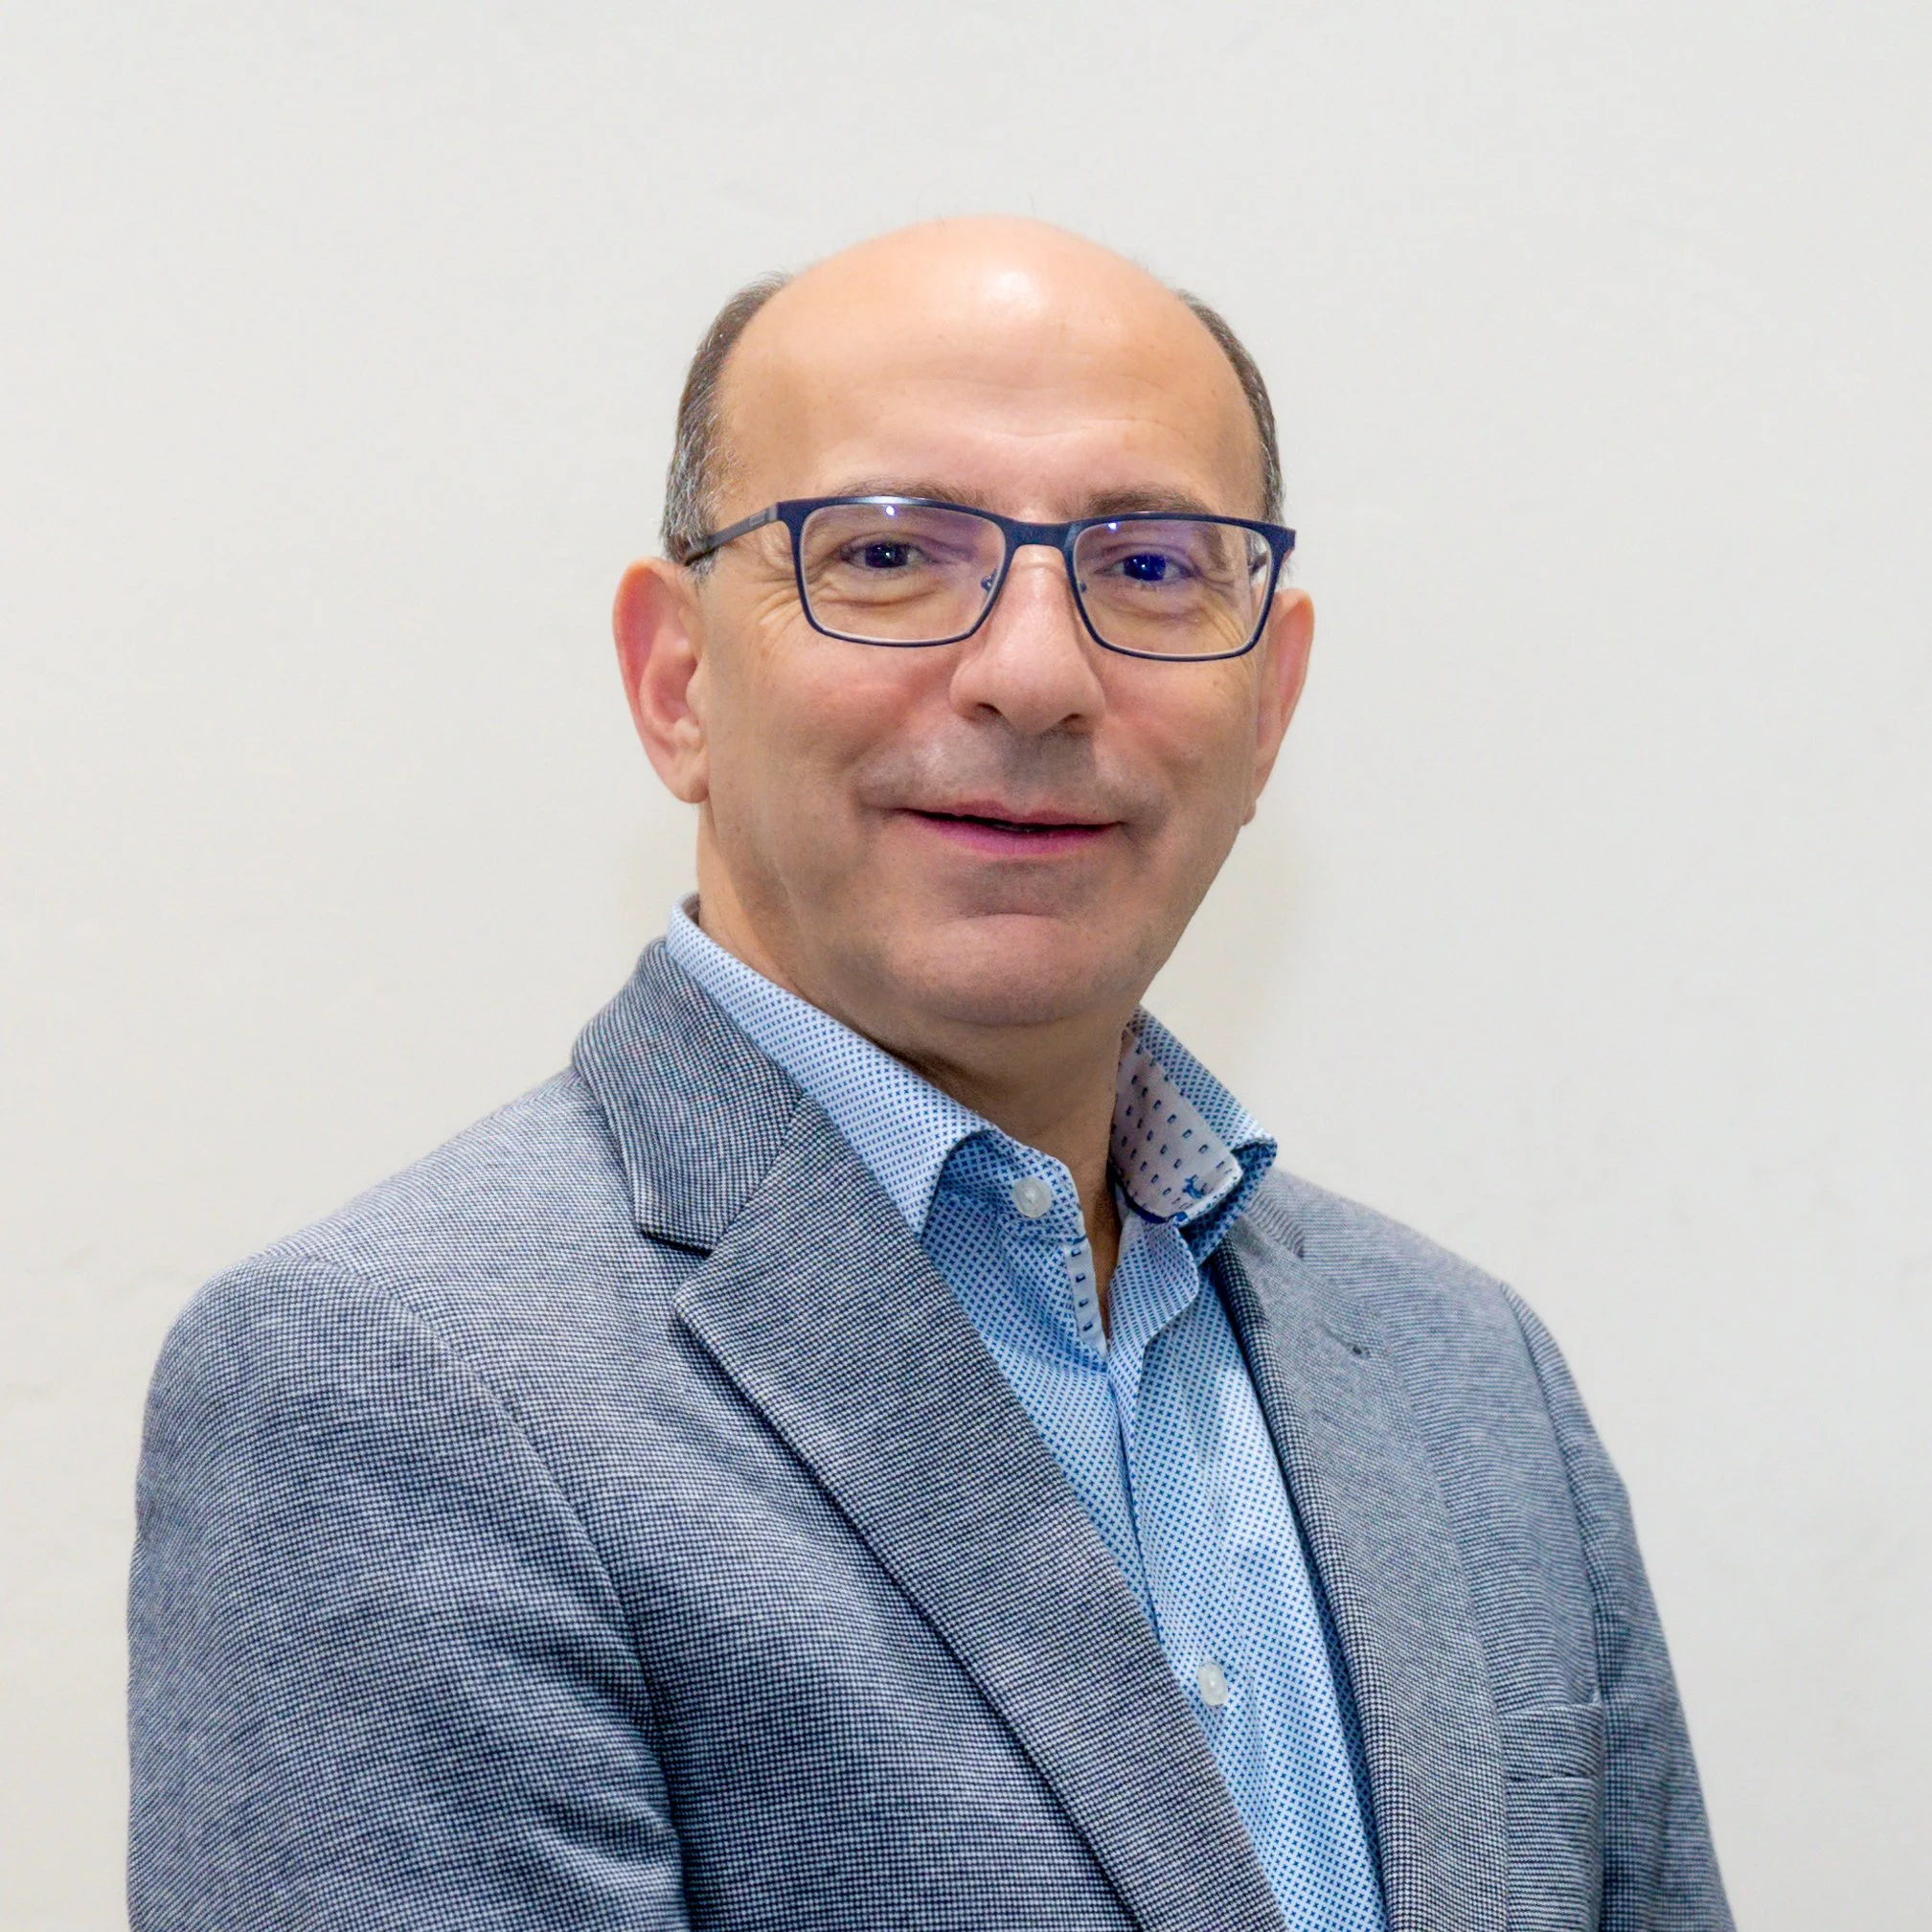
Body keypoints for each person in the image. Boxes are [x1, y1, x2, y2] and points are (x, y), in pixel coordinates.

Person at [128, 217, 1732, 1932]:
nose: (1037, 671)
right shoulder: (388, 1391)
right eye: (888, 554)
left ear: (1269, 708)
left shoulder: (1469, 1378)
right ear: (675, 682)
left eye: (1154, 567)